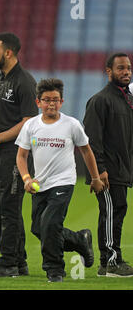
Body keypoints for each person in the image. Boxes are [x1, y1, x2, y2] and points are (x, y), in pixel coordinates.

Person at [15, 78, 103, 282]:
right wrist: (26, 178)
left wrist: (95, 178)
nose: (51, 104)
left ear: (62, 101)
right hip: (39, 184)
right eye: (46, 100)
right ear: (38, 102)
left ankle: (54, 269)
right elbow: (21, 156)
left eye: (55, 99)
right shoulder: (30, 126)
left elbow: (86, 152)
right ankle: (80, 240)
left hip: (64, 182)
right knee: (38, 228)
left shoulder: (71, 124)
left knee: (49, 223)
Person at [0, 32, 38, 277]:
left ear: (8, 52)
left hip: (15, 154)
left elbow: (29, 121)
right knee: (0, 208)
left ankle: (8, 263)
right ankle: (19, 263)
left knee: (9, 209)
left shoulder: (24, 81)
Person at [83, 52, 133, 277]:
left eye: (129, 68)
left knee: (117, 211)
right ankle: (110, 262)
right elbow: (92, 140)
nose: (126, 72)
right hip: (107, 172)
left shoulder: (127, 100)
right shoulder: (100, 100)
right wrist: (99, 171)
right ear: (108, 71)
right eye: (121, 68)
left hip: (121, 169)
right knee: (111, 212)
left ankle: (112, 260)